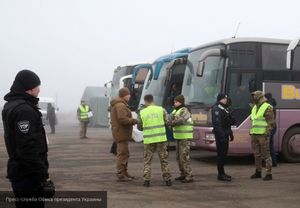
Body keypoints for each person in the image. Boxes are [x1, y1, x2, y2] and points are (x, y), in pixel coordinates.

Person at [2, 70, 55, 208]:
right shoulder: (24, 110)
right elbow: (27, 147)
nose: (39, 89)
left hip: (20, 171)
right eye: (37, 86)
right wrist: (44, 177)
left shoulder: (11, 105)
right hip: (28, 175)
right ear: (29, 88)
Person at [137, 94, 172, 187]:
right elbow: (168, 122)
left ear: (145, 101)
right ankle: (168, 180)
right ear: (153, 100)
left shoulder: (142, 112)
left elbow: (139, 127)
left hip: (149, 139)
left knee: (147, 161)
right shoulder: (161, 109)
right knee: (164, 160)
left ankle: (146, 181)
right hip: (161, 139)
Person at [110, 87, 138, 182]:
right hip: (121, 133)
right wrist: (134, 121)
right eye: (128, 94)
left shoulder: (120, 104)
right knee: (122, 154)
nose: (130, 96)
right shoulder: (120, 105)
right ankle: (121, 174)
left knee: (125, 154)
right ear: (124, 95)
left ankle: (124, 172)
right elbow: (122, 119)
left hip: (121, 133)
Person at [250, 91, 275, 181]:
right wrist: (251, 132)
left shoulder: (267, 107)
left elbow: (271, 123)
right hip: (254, 134)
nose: (253, 98)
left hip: (263, 135)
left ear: (259, 97)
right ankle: (258, 171)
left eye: (254, 96)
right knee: (256, 154)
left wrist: (267, 133)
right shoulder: (254, 107)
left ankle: (269, 173)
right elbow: (253, 120)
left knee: (266, 154)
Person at [168, 95, 194, 183]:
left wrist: (171, 122)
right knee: (178, 157)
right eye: (174, 102)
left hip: (185, 138)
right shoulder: (175, 110)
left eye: (176, 102)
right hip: (178, 137)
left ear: (181, 102)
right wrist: (170, 121)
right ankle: (183, 174)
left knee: (184, 157)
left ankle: (189, 175)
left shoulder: (184, 110)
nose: (174, 103)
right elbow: (169, 118)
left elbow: (181, 120)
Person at [211, 93, 235, 182]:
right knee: (221, 155)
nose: (225, 100)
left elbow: (227, 123)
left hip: (225, 133)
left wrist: (230, 133)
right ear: (220, 99)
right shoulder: (216, 109)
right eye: (224, 98)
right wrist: (221, 136)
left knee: (224, 155)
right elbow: (217, 124)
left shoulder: (224, 108)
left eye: (226, 98)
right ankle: (220, 174)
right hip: (221, 135)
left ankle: (222, 173)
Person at [265, 93, 277, 167]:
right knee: (271, 144)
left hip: (270, 127)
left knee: (268, 145)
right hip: (273, 126)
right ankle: (274, 162)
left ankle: (271, 163)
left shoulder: (269, 106)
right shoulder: (272, 105)